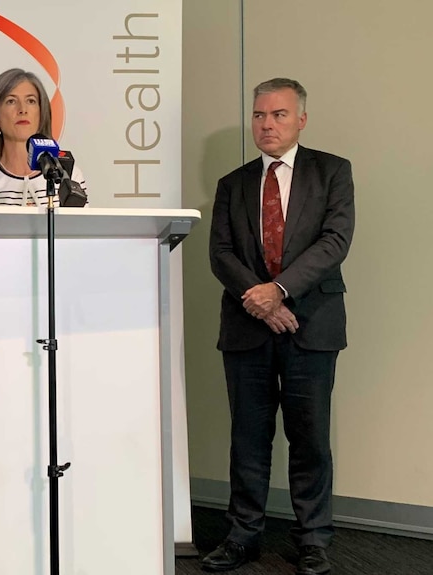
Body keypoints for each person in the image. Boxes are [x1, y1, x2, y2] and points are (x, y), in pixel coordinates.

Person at [203, 78, 354, 575]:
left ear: (301, 120)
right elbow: (220, 254)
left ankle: (312, 539)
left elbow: (334, 241)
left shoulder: (333, 171)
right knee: (248, 437)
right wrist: (263, 302)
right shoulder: (233, 183)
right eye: (259, 115)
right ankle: (242, 535)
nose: (266, 124)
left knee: (310, 438)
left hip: (312, 323)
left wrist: (281, 290)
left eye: (279, 115)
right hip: (248, 326)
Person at [0, 68, 87, 452]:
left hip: (54, 318)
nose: (22, 109)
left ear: (42, 113)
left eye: (30, 101)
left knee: (52, 429)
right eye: (10, 101)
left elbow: (81, 244)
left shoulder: (68, 174)